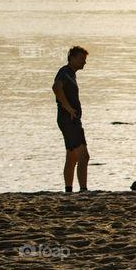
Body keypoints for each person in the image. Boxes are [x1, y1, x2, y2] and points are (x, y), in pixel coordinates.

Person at [52, 46, 90, 192]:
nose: (84, 62)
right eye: (81, 59)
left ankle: (68, 190)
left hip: (67, 119)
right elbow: (56, 87)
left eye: (84, 59)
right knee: (84, 156)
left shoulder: (70, 74)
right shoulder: (65, 72)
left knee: (72, 156)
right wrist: (68, 108)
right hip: (69, 119)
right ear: (72, 58)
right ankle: (83, 190)